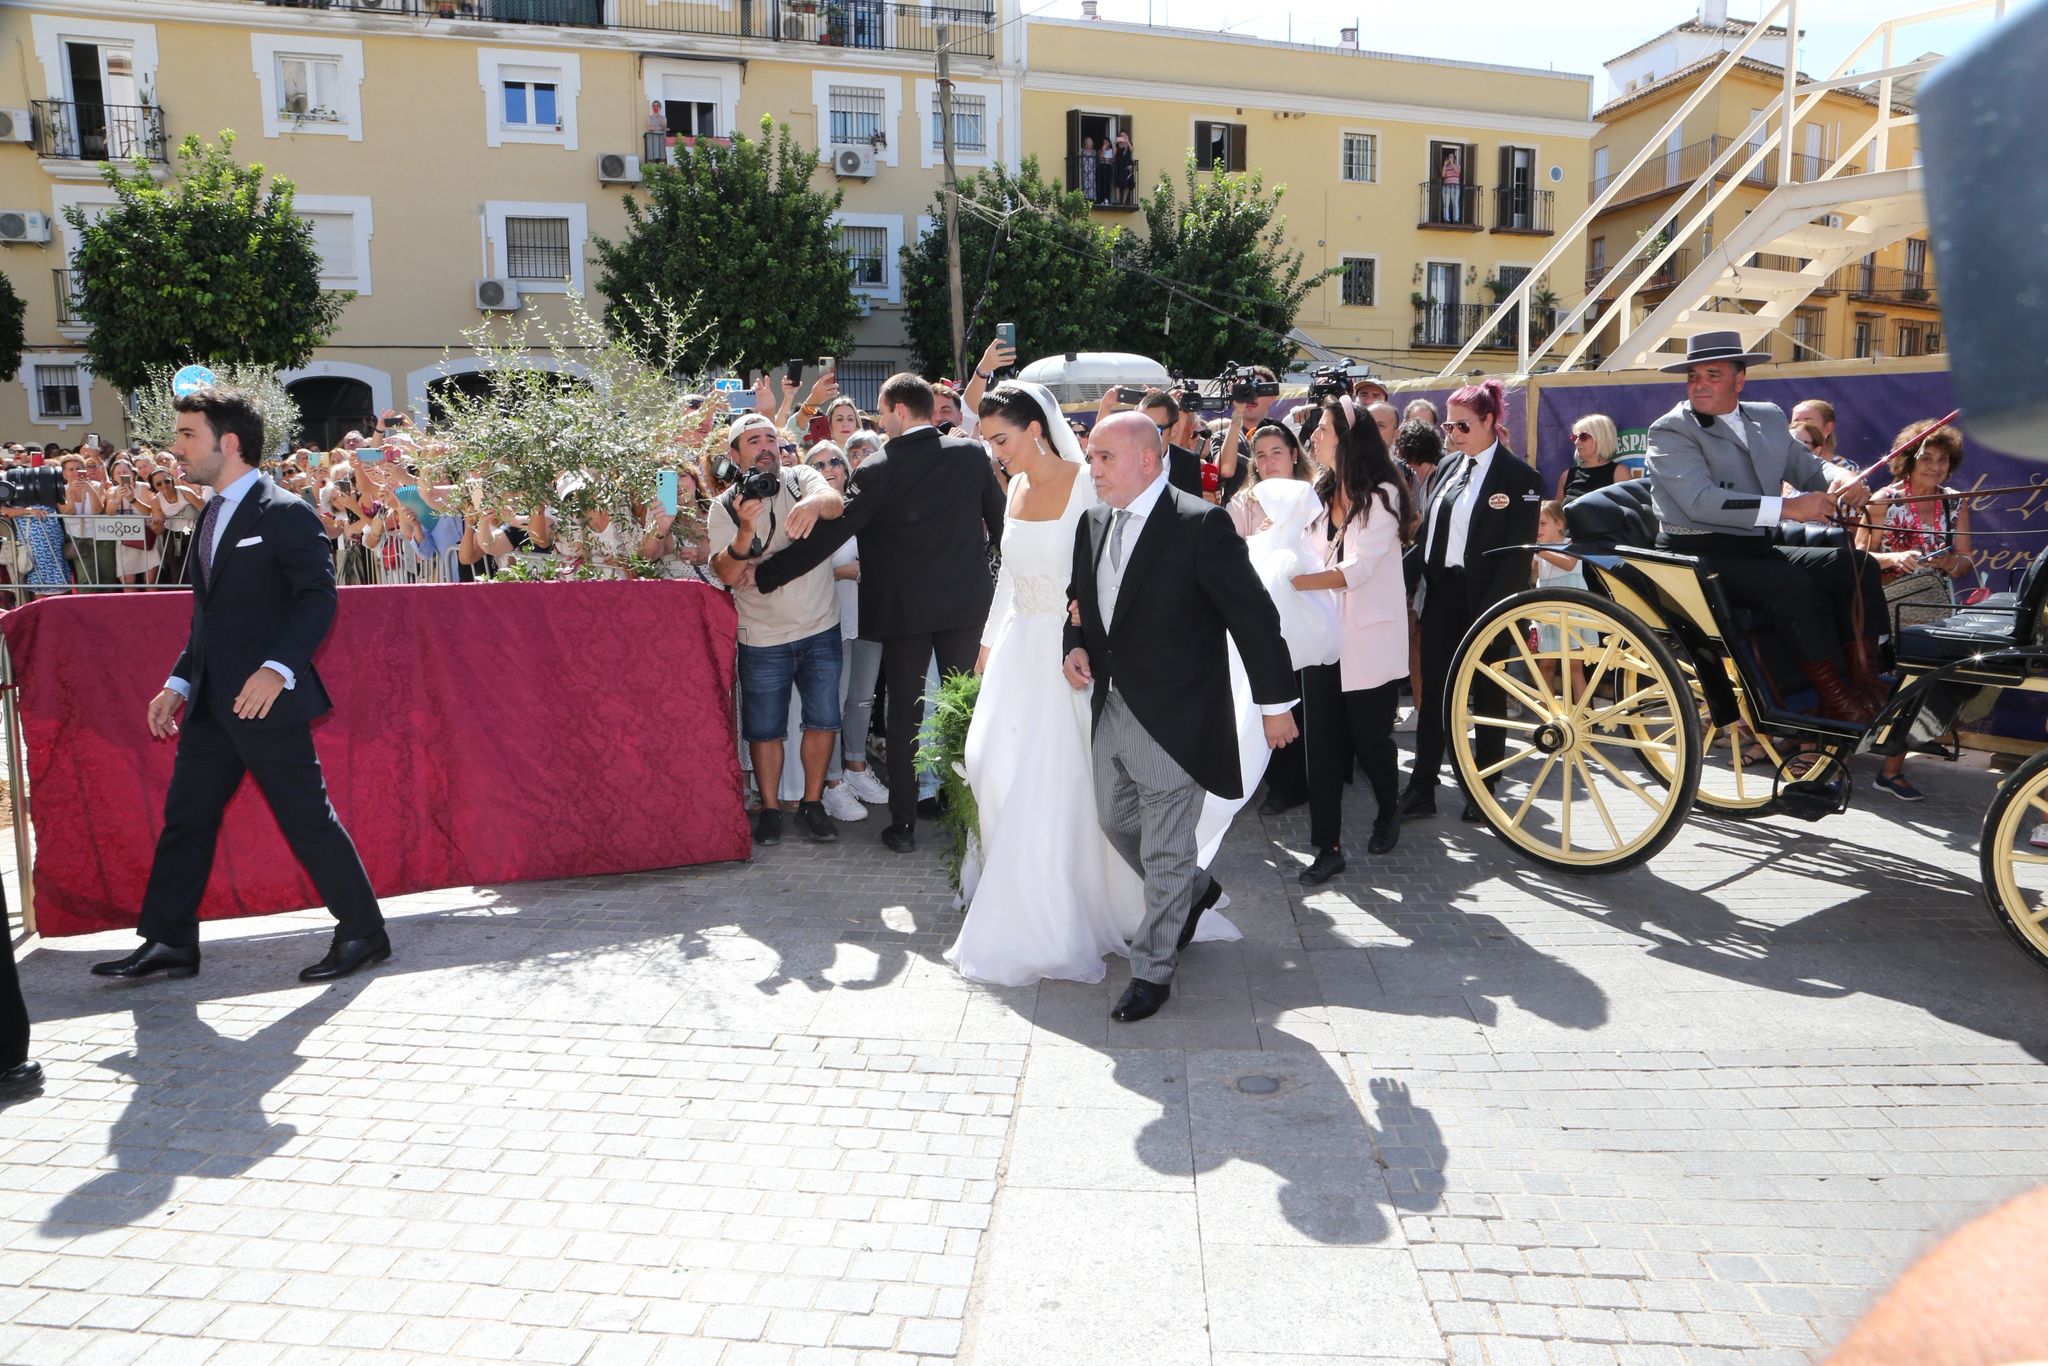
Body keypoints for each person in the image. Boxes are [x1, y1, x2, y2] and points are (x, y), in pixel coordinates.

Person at [948, 384, 1253, 986]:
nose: (996, 453)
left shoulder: (1089, 484)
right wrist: (984, 653)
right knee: (989, 767)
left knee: (1059, 789)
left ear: (1036, 430)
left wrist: (1088, 630)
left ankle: (1059, 917)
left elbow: (1111, 571)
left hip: (1070, 658)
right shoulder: (1013, 489)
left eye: (1001, 439)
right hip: (1017, 654)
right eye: (989, 443)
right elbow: (1009, 579)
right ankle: (1052, 893)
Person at [92, 387, 389, 985]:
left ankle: (364, 932)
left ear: (228, 443)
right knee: (187, 819)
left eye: (186, 435)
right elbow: (210, 617)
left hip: (264, 702)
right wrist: (178, 681)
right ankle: (171, 942)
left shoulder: (284, 511)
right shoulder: (210, 512)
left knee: (306, 817)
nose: (175, 449)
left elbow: (316, 600)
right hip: (209, 703)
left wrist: (277, 671)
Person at [1061, 412, 1298, 1022]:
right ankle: (1194, 888)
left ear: (1147, 459)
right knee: (1116, 824)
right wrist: (1074, 643)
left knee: (1166, 847)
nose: (1094, 471)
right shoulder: (1091, 522)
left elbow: (1253, 617)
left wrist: (1276, 706)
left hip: (1180, 715)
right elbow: (1081, 604)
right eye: (1091, 458)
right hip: (1110, 706)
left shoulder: (1201, 524)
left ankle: (1153, 971)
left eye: (1104, 459)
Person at [753, 373, 1006, 852]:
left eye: (883, 411)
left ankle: (904, 826)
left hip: (904, 610)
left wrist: (769, 573)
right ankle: (972, 820)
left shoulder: (879, 467)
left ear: (899, 412)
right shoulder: (972, 455)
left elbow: (832, 534)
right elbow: (1000, 522)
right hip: (965, 605)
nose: (880, 419)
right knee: (966, 711)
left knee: (905, 716)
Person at [1643, 330, 1886, 725]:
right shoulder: (1671, 430)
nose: (1699, 383)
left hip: (1754, 548)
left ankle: (1865, 683)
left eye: (1712, 374)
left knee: (1858, 566)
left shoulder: (1769, 417)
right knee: (1791, 585)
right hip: (1697, 554)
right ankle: (1833, 700)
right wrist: (1788, 508)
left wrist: (1840, 478)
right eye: (1693, 376)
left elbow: (1810, 467)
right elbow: (1700, 501)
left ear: (1740, 380)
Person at [1400, 377, 1542, 823]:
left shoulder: (1521, 478)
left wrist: (1492, 615)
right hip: (1443, 595)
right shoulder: (1447, 468)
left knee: (1487, 697)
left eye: (1462, 426)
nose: (1452, 434)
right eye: (1448, 426)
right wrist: (1391, 581)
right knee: (1435, 693)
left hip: (1490, 603)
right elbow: (1427, 540)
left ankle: (1485, 788)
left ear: (1489, 421)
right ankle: (1422, 785)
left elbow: (1517, 558)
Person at [706, 412, 847, 847]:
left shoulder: (800, 476)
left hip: (820, 626)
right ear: (735, 455)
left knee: (823, 720)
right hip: (762, 636)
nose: (767, 446)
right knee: (765, 729)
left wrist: (810, 504)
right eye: (754, 441)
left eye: (771, 437)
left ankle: (811, 804)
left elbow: (835, 503)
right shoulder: (724, 506)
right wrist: (746, 529)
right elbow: (727, 574)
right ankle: (769, 809)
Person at [1291, 397, 1415, 885]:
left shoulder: (1382, 494)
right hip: (1321, 640)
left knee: (1370, 744)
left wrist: (1295, 583)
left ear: (1347, 438)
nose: (1314, 438)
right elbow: (1302, 550)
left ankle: (1390, 808)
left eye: (1321, 429)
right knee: (1320, 750)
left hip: (1367, 644)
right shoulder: (1319, 491)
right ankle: (1328, 847)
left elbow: (1357, 569)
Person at [1863, 419, 1975, 801]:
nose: (1935, 466)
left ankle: (1892, 766)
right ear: (1908, 461)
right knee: (1907, 683)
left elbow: (1966, 560)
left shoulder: (1954, 500)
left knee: (1934, 682)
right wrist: (1894, 556)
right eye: (1927, 458)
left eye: (1943, 459)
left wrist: (1949, 564)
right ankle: (1880, 765)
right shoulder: (1884, 500)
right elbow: (1858, 557)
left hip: (1939, 606)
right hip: (1890, 605)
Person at [1557, 413, 1634, 502]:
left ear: (1601, 438)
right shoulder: (1566, 475)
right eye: (1574, 437)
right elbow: (1555, 513)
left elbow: (1628, 510)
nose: (1576, 442)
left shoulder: (1619, 473)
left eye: (1583, 436)